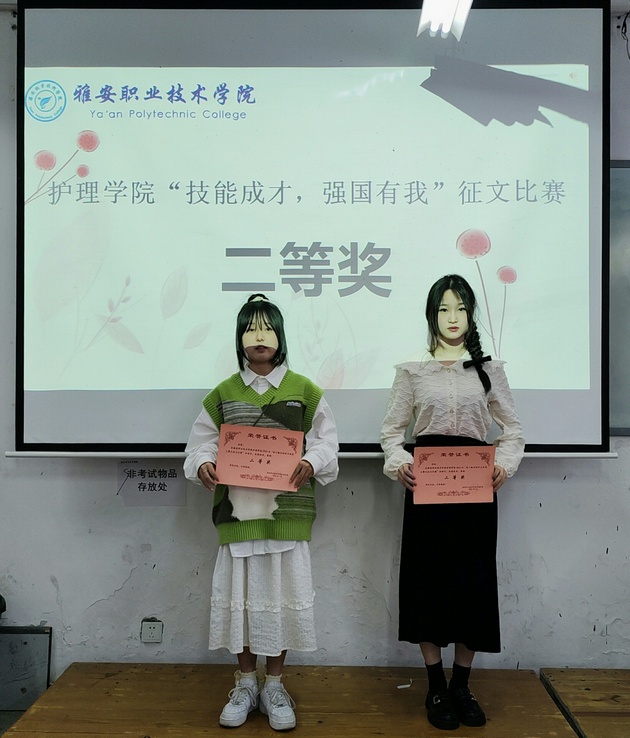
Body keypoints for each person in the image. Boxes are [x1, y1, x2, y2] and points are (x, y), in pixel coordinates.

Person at [184, 293, 338, 731]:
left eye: (267, 328)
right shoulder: (223, 394)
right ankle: (246, 683)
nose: (259, 336)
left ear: (280, 336)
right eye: (250, 328)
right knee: (243, 602)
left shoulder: (305, 390)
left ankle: (275, 685)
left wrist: (312, 460)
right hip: (238, 516)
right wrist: (204, 463)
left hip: (287, 515)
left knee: (279, 600)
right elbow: (199, 444)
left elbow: (328, 442)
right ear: (239, 338)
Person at [380, 274, 524, 731]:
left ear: (471, 313)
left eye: (460, 308)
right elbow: (391, 433)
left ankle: (462, 685)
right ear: (431, 315)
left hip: (476, 492)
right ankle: (435, 686)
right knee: (428, 583)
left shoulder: (490, 370)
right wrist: (400, 464)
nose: (452, 317)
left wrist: (504, 465)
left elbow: (513, 431)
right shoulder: (412, 371)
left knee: (472, 584)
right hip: (427, 490)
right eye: (443, 309)